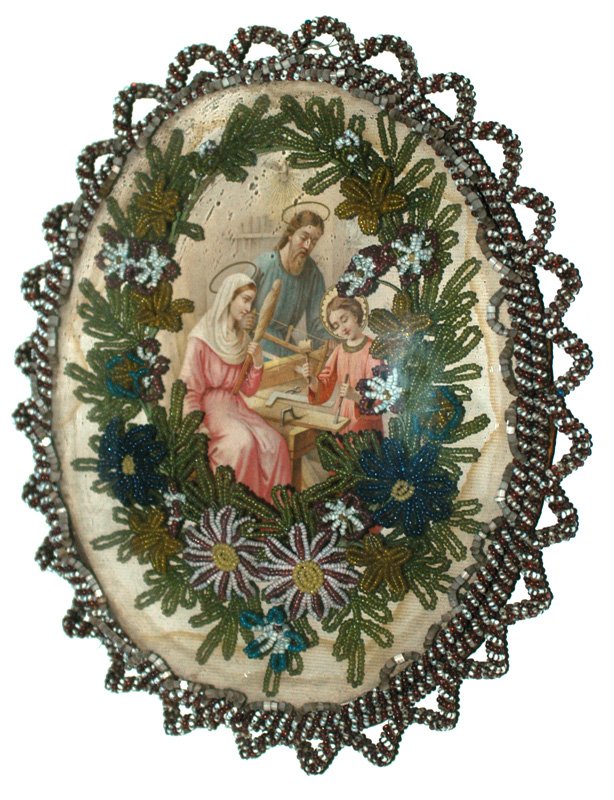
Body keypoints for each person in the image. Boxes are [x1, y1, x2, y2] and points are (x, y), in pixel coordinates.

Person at [179, 273, 291, 502]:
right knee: (242, 443)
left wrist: (257, 363)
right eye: (245, 300)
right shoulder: (201, 338)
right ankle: (240, 512)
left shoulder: (241, 338)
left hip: (236, 407)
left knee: (275, 443)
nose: (249, 308)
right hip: (210, 411)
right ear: (229, 297)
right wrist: (196, 426)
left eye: (252, 301)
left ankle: (274, 512)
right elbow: (189, 391)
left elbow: (246, 389)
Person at [300, 294, 384, 434]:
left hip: (364, 421)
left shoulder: (372, 350)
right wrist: (312, 380)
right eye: (336, 326)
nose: (342, 328)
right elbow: (325, 385)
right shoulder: (339, 351)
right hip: (341, 417)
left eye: (344, 319)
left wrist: (355, 395)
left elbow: (379, 396)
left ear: (355, 315)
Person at [250, 210, 329, 357]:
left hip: (285, 346)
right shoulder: (265, 264)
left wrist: (327, 343)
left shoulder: (312, 273)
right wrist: (242, 320)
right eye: (303, 237)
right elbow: (235, 302)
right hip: (254, 345)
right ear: (291, 234)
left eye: (314, 241)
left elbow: (317, 321)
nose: (307, 246)